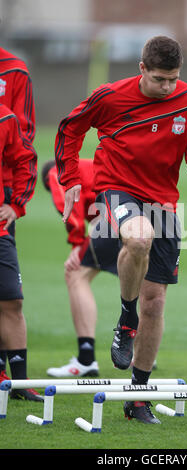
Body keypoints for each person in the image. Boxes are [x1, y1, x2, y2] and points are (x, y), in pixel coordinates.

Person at [55, 36, 187, 423]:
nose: (167, 87)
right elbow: (69, 129)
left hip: (165, 200)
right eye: (160, 78)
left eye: (173, 79)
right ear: (142, 69)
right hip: (118, 188)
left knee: (156, 302)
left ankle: (138, 397)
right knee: (138, 237)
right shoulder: (110, 97)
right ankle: (126, 318)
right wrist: (70, 176)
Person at [42, 158, 101, 377]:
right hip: (144, 209)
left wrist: (77, 244)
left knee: (75, 274)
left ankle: (86, 359)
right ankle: (141, 357)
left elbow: (69, 204)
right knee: (138, 277)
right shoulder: (86, 167)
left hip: (113, 214)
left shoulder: (57, 172)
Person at [0, 46, 37, 395]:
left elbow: (24, 156)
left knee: (11, 298)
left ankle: (20, 382)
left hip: (1, 219)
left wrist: (17, 204)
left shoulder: (4, 118)